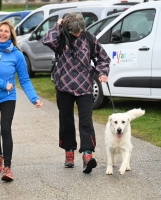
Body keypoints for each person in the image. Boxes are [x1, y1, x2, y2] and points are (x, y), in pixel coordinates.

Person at [42, 13, 110, 173]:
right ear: (67, 28)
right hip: (64, 86)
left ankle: (87, 156)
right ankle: (69, 153)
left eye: (80, 31)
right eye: (75, 32)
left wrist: (102, 72)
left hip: (85, 87)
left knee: (86, 122)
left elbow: (103, 58)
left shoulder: (89, 38)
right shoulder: (60, 37)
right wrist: (58, 25)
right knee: (66, 121)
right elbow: (47, 40)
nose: (78, 34)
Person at [0, 20, 43, 182]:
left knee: (5, 128)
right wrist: (2, 84)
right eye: (0, 31)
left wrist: (34, 98)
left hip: (8, 97)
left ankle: (7, 167)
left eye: (6, 31)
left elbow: (25, 80)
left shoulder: (17, 54)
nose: (3, 33)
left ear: (11, 35)